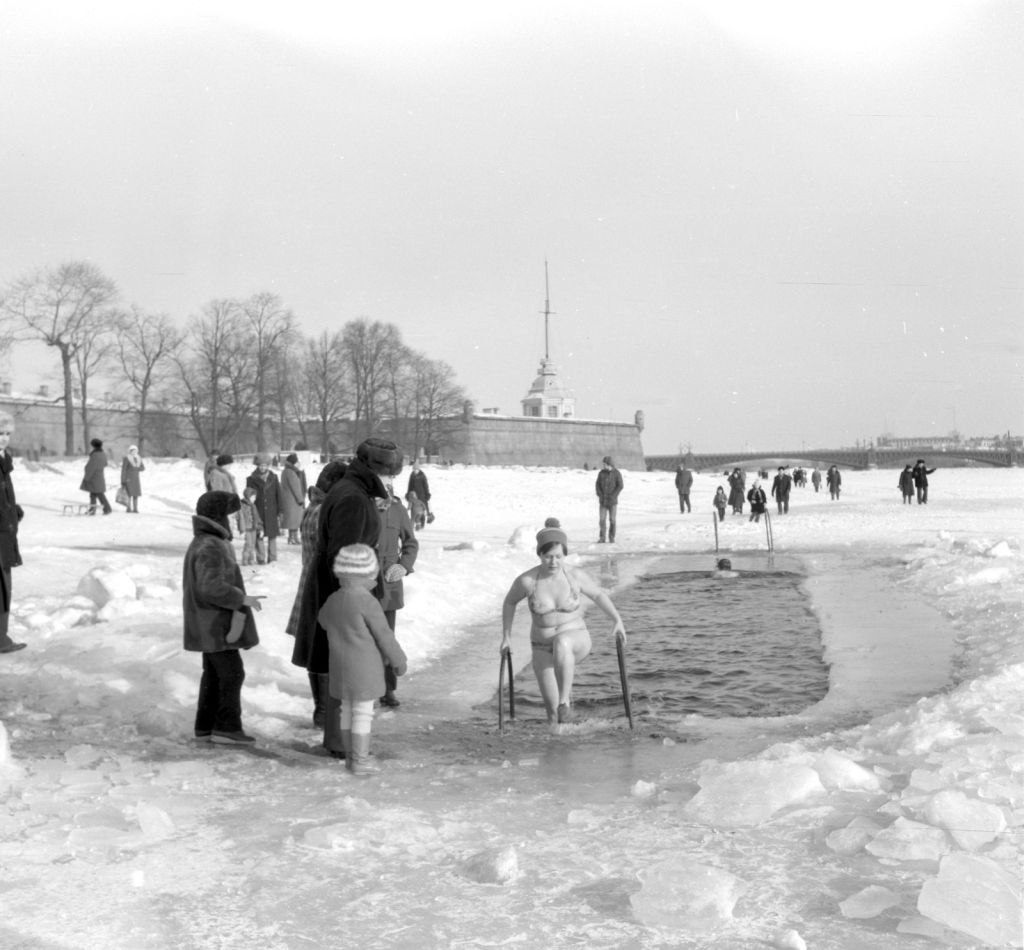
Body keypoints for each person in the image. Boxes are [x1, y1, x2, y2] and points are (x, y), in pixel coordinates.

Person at [293, 437, 402, 757]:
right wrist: (358, 600)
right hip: (344, 592)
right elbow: (347, 555)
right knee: (347, 667)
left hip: (339, 591)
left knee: (340, 666)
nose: (391, 481)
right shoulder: (353, 498)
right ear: (374, 469)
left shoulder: (352, 491)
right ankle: (342, 742)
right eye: (390, 474)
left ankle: (337, 739)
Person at [501, 518, 626, 725]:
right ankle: (558, 751)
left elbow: (598, 595)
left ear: (564, 555)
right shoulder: (528, 581)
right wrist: (506, 637)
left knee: (562, 642)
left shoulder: (575, 576)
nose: (553, 562)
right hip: (541, 646)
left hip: (576, 638)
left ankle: (565, 702)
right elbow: (509, 603)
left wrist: (617, 620)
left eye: (558, 557)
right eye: (548, 557)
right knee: (551, 713)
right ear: (539, 554)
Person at [318, 544, 407, 775]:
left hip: (340, 668)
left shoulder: (334, 599)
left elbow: (323, 620)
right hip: (364, 671)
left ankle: (350, 757)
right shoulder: (367, 601)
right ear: (368, 573)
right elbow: (384, 635)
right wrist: (398, 660)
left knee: (346, 710)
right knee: (362, 714)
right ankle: (360, 761)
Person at [182, 491, 264, 744]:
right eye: (228, 515)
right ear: (219, 517)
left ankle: (205, 726)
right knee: (232, 673)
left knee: (214, 674)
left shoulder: (206, 541)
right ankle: (226, 726)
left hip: (209, 623)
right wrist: (241, 598)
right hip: (215, 623)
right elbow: (210, 587)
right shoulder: (210, 545)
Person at [286, 459, 348, 729]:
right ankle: (323, 710)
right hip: (319, 585)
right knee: (320, 649)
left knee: (315, 648)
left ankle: (321, 709)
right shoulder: (324, 510)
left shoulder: (314, 506)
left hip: (309, 582)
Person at [375, 474, 418, 708]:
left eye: (387, 487)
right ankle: (364, 685)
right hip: (361, 583)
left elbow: (411, 542)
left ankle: (387, 688)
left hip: (388, 585)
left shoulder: (398, 510)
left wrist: (403, 565)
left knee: (386, 637)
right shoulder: (360, 508)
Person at [0, 412, 26, 654]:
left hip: (5, 532)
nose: (4, 439)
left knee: (4, 585)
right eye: (0, 433)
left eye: (7, 434)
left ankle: (1, 636)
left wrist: (12, 509)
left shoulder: (4, 460)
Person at [246, 454, 282, 563]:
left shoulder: (274, 477)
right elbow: (248, 496)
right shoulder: (251, 479)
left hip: (271, 511)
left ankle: (273, 558)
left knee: (272, 535)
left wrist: (280, 511)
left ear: (268, 466)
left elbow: (278, 495)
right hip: (258, 510)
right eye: (261, 465)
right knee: (259, 535)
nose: (263, 468)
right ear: (257, 466)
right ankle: (261, 557)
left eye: (265, 465)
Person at [280, 453, 307, 545]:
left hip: (290, 499)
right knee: (294, 520)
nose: (299, 463)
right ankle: (292, 538)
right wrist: (300, 499)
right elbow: (296, 487)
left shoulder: (287, 471)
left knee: (294, 520)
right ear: (293, 463)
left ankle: (293, 537)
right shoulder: (291, 472)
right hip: (293, 500)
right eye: (297, 462)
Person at [80, 438, 112, 514]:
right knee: (93, 494)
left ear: (94, 445)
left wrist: (86, 478)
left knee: (99, 494)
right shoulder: (102, 453)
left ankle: (107, 509)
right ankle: (93, 509)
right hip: (99, 476)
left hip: (94, 477)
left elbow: (91, 467)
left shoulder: (95, 454)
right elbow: (105, 464)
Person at [595, 456, 623, 543]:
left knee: (612, 520)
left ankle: (611, 537)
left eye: (604, 464)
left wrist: (614, 495)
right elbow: (597, 485)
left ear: (609, 464)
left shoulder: (617, 473)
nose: (603, 465)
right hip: (603, 501)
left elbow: (620, 486)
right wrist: (599, 494)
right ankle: (602, 537)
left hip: (612, 502)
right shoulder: (601, 473)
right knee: (602, 520)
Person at [236, 485, 264, 565]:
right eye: (253, 497)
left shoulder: (254, 506)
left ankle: (251, 559)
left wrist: (261, 528)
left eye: (255, 497)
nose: (254, 499)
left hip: (254, 528)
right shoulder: (242, 506)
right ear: (248, 497)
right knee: (248, 544)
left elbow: (257, 518)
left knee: (252, 544)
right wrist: (242, 529)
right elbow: (240, 518)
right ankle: (245, 559)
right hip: (247, 528)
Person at [120, 445, 145, 513]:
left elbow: (143, 468)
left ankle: (135, 509)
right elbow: (123, 470)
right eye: (132, 450)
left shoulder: (139, 458)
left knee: (136, 494)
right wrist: (122, 480)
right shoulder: (126, 458)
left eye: (135, 450)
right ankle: (128, 508)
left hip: (136, 480)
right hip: (128, 479)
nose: (134, 452)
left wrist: (135, 469)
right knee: (129, 494)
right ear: (130, 451)